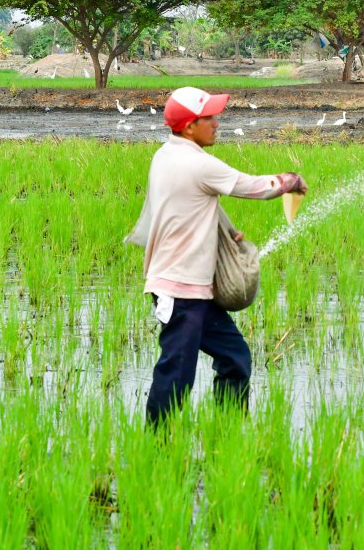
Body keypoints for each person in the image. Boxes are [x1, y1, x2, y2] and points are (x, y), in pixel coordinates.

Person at [125, 86, 307, 426]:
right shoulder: (196, 163)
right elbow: (254, 187)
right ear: (189, 126)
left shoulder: (165, 155)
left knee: (234, 356)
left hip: (194, 290)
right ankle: (156, 447)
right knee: (176, 373)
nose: (216, 122)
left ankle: (227, 431)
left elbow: (192, 204)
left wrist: (226, 230)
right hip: (181, 290)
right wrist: (290, 179)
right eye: (209, 117)